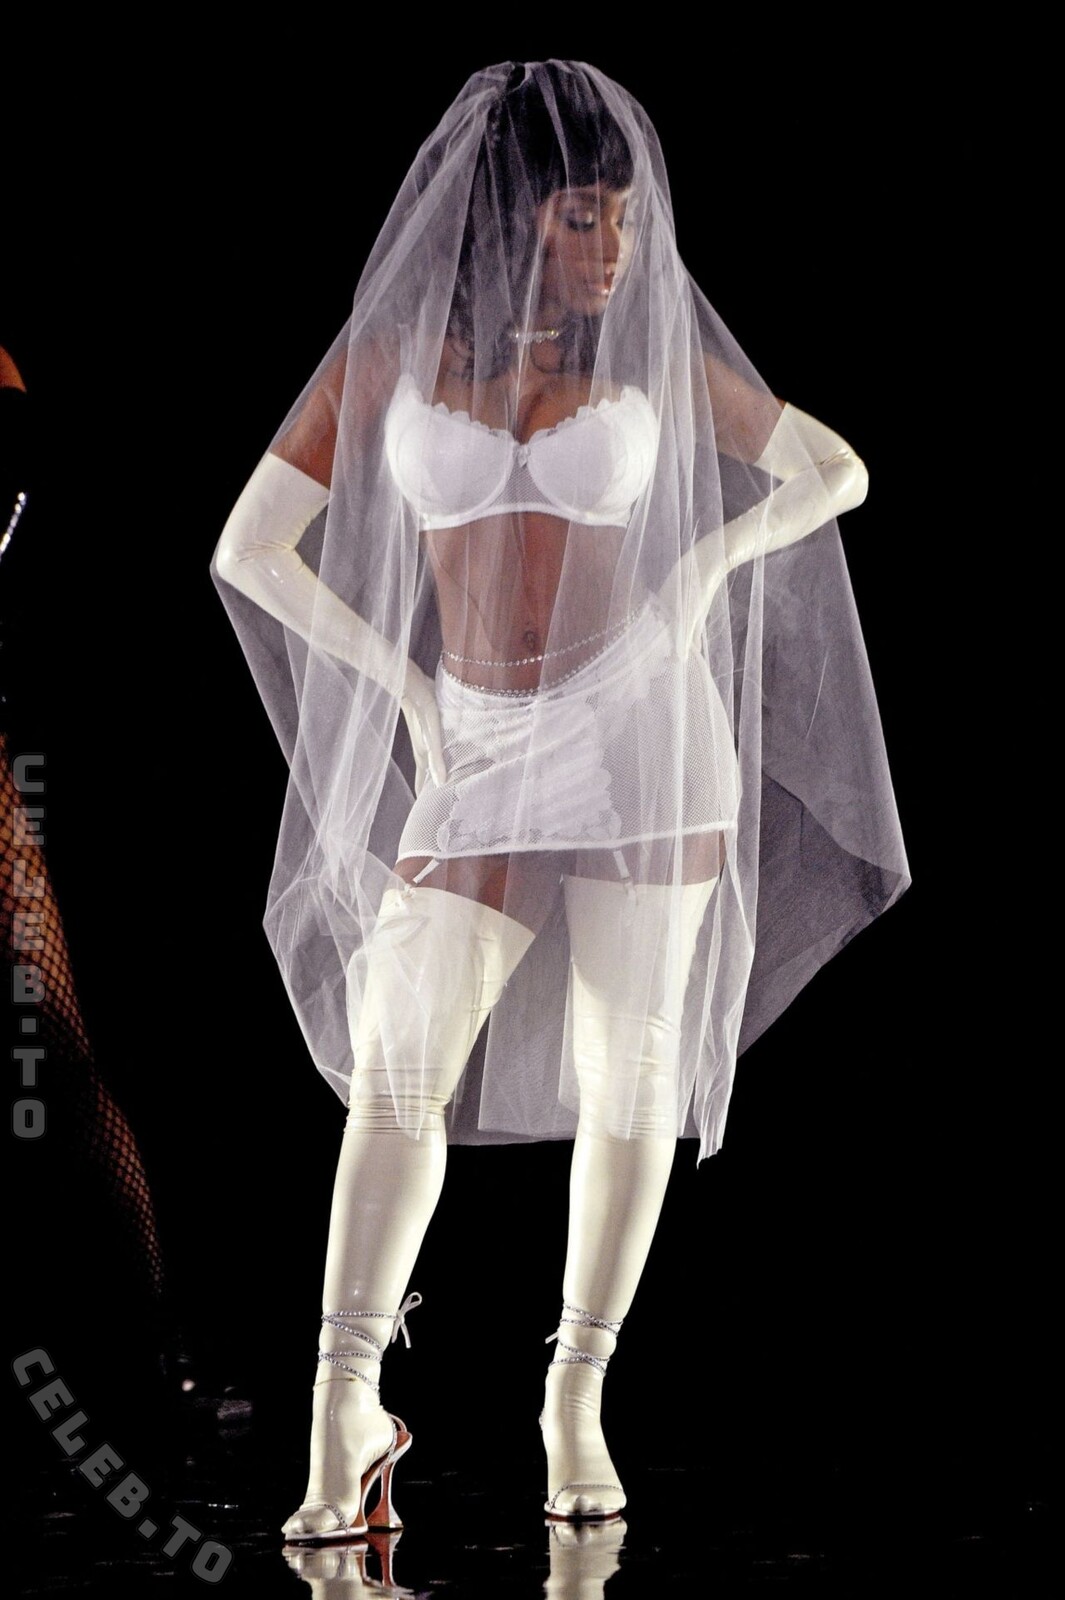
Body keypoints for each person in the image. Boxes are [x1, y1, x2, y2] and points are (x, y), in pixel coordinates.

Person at [210, 61, 908, 1540]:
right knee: (397, 1070)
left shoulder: (651, 356)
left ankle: (573, 1396)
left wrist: (700, 572)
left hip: (643, 732)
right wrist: (408, 700)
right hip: (480, 739)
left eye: (626, 220)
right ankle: (345, 1402)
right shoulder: (395, 355)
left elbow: (832, 470)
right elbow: (247, 550)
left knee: (631, 1072)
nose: (615, 249)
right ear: (510, 217)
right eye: (585, 218)